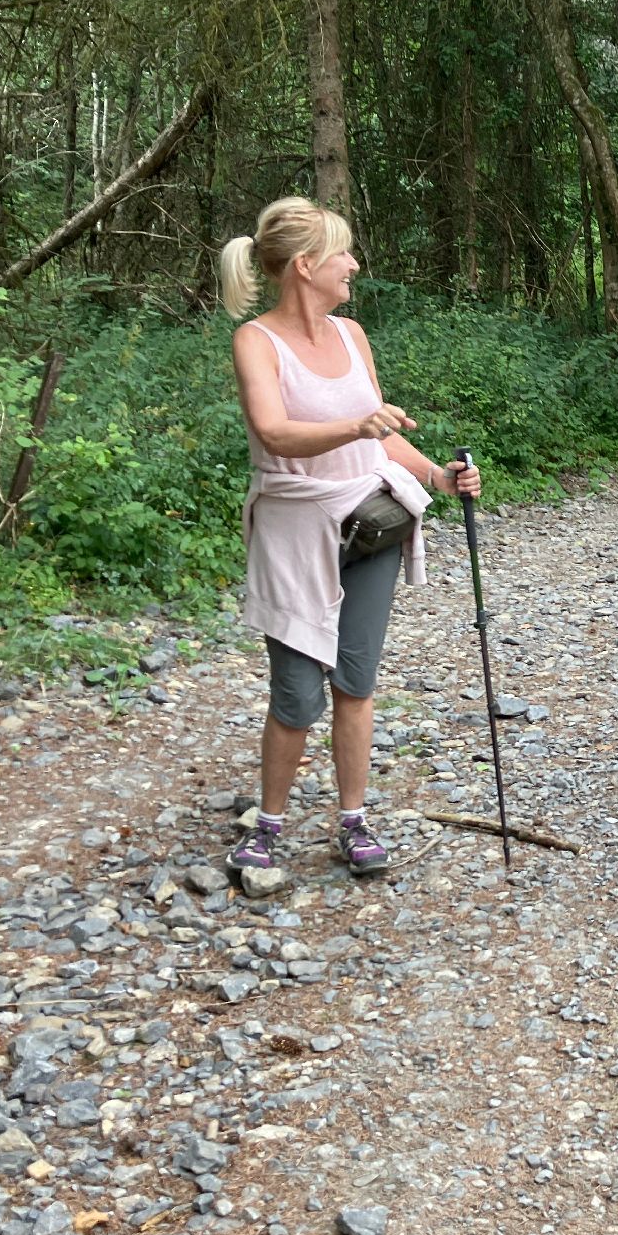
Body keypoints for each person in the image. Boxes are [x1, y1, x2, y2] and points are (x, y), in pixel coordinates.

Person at [217, 196, 483, 877]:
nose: (354, 264)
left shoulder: (352, 334)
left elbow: (381, 436)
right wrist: (356, 428)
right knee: (296, 693)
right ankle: (268, 827)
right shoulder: (256, 341)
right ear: (306, 266)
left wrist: (441, 477)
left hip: (369, 525)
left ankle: (353, 820)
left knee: (357, 681)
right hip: (293, 533)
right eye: (342, 252)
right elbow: (275, 432)